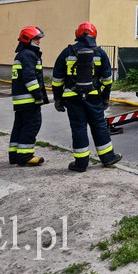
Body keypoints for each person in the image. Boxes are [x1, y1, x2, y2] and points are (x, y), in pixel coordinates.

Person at [51, 21, 122, 173]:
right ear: (94, 35)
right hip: (93, 97)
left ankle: (81, 163)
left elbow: (57, 79)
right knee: (99, 126)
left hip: (72, 98)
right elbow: (107, 80)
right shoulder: (100, 53)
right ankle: (108, 157)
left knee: (78, 128)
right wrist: (104, 98)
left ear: (77, 35)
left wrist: (58, 99)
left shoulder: (67, 52)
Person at [9, 25, 48, 166]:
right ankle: (25, 156)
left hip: (21, 100)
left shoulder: (22, 54)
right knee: (32, 125)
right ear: (28, 39)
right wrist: (38, 95)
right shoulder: (28, 55)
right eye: (36, 38)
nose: (39, 41)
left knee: (19, 126)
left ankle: (14, 155)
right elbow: (30, 78)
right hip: (29, 99)